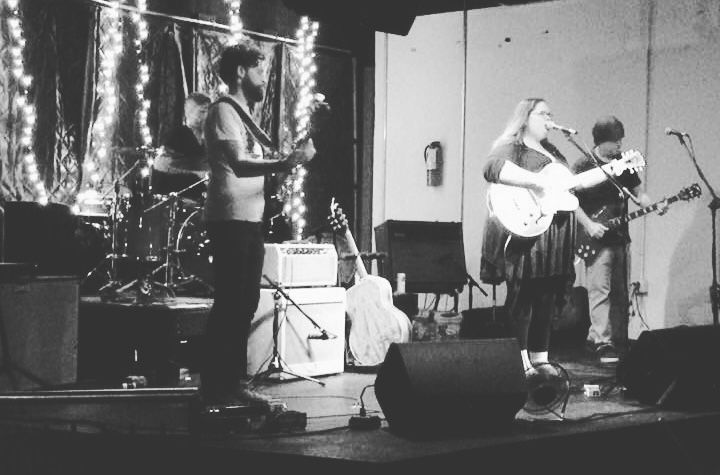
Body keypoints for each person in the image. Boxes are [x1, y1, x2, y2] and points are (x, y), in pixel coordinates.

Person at [200, 41, 316, 407]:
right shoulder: (223, 111)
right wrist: (285, 162)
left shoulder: (247, 118)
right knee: (230, 302)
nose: (265, 78)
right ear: (240, 72)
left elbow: (263, 175)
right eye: (259, 70)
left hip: (249, 220)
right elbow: (238, 164)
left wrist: (291, 162)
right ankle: (216, 386)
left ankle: (232, 382)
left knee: (245, 301)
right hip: (229, 219)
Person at [481, 98, 611, 372]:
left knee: (547, 297)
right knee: (524, 296)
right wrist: (539, 182)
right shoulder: (513, 146)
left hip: (555, 231)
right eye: (543, 114)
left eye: (550, 114)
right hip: (528, 231)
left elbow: (571, 184)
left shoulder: (552, 151)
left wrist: (613, 169)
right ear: (525, 117)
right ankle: (519, 361)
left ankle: (540, 358)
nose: (549, 119)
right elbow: (492, 168)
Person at [572, 116, 666, 364]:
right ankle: (602, 343)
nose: (619, 146)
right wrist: (589, 225)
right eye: (615, 141)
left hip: (620, 237)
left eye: (620, 141)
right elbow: (570, 202)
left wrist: (653, 205)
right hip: (596, 238)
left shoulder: (623, 162)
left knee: (620, 292)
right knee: (600, 291)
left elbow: (638, 193)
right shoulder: (584, 164)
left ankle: (608, 339)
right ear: (601, 141)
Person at [153, 92, 211, 203]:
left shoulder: (207, 139)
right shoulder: (178, 135)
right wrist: (196, 173)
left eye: (209, 111)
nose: (206, 116)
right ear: (189, 112)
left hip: (198, 198)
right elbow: (159, 164)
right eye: (202, 111)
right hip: (177, 198)